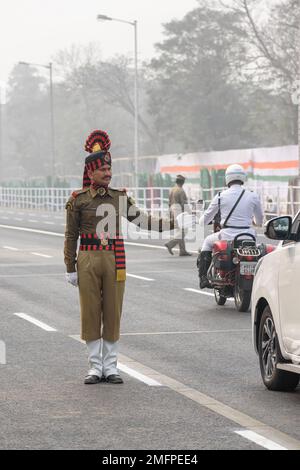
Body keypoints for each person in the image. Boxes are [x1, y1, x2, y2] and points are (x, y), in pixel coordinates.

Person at [64, 130, 174, 385]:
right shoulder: (77, 201)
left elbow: (144, 220)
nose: (108, 173)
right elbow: (70, 236)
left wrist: (172, 223)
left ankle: (111, 367)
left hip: (115, 260)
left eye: (109, 169)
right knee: (90, 313)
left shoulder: (119, 198)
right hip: (88, 260)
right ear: (90, 172)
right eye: (102, 169)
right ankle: (95, 367)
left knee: (113, 313)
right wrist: (70, 267)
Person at [197, 164, 264, 289]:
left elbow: (205, 220)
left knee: (207, 242)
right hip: (248, 236)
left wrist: (200, 221)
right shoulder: (252, 195)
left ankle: (203, 278)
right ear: (242, 178)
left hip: (227, 235)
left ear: (227, 178)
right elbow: (260, 220)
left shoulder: (221, 196)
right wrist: (253, 221)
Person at [164, 175, 191, 256]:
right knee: (183, 230)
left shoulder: (172, 189)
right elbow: (184, 203)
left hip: (172, 210)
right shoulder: (180, 191)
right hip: (179, 211)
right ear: (182, 182)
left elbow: (169, 202)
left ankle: (182, 251)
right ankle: (170, 243)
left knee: (179, 230)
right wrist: (189, 212)